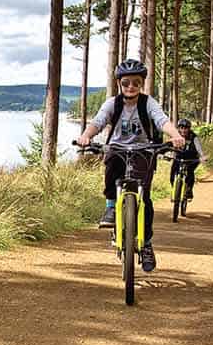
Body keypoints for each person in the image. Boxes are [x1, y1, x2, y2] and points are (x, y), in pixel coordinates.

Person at [71, 58, 184, 271]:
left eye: (136, 82)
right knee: (111, 158)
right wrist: (85, 136)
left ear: (141, 84)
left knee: (145, 199)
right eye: (126, 83)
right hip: (118, 148)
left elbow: (162, 120)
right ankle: (111, 207)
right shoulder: (112, 104)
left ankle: (147, 244)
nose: (130, 87)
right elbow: (98, 122)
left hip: (144, 150)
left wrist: (176, 135)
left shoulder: (148, 102)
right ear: (119, 84)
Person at [171, 119, 202, 206]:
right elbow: (169, 146)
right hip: (179, 157)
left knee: (190, 172)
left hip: (191, 158)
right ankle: (175, 190)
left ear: (189, 129)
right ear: (179, 128)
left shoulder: (193, 137)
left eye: (186, 128)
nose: (183, 130)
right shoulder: (175, 136)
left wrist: (202, 156)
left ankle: (188, 192)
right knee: (173, 172)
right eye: (181, 128)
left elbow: (198, 148)